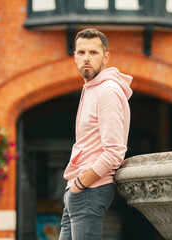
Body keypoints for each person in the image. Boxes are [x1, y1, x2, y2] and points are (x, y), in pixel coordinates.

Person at [59, 28, 133, 240]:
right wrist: (73, 188)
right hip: (77, 190)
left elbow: (115, 152)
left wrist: (80, 184)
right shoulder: (92, 89)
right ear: (74, 56)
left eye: (93, 53)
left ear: (106, 57)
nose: (86, 58)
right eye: (81, 53)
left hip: (89, 189)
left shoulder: (107, 91)